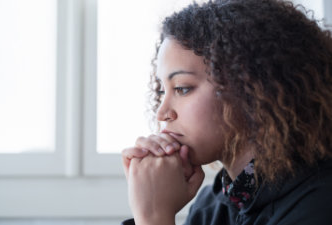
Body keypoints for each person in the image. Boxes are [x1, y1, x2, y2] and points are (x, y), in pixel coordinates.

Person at [121, 0, 332, 224]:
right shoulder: (212, 205)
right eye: (162, 90)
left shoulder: (321, 205)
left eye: (182, 88)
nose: (162, 113)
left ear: (251, 88)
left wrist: (153, 216)